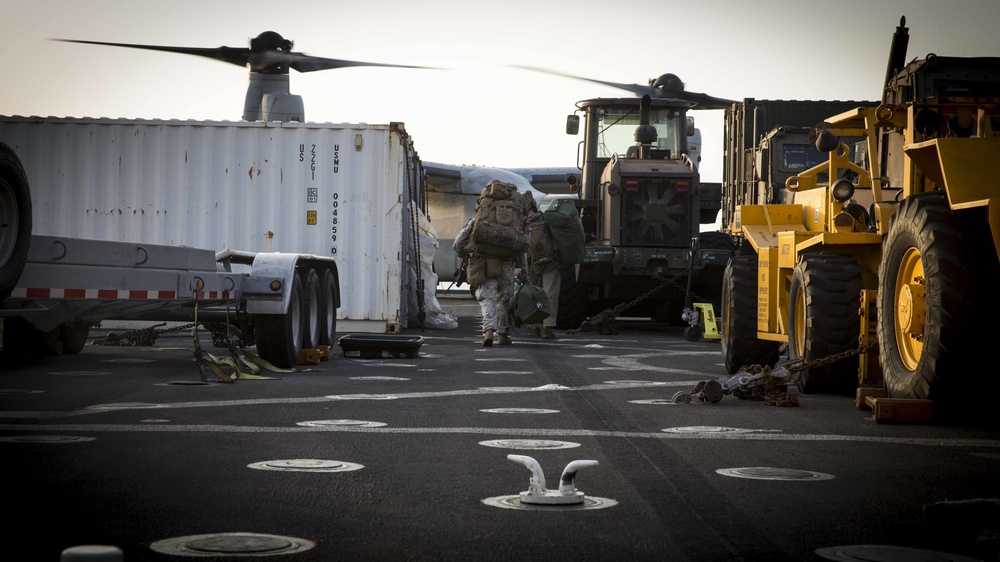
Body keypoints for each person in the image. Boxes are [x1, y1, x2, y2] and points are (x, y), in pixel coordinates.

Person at [452, 180, 529, 347]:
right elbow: (523, 246)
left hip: (484, 263)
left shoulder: (476, 221)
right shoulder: (517, 221)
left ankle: (488, 331)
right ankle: (503, 334)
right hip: (507, 264)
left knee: (487, 298)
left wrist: (465, 254)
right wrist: (525, 269)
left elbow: (458, 243)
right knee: (504, 298)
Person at [523, 192, 560, 339]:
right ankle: (548, 327)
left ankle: (534, 325)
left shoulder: (521, 223)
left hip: (531, 265)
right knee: (550, 295)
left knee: (532, 295)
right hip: (550, 262)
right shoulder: (545, 219)